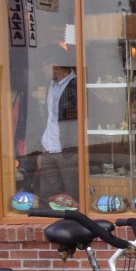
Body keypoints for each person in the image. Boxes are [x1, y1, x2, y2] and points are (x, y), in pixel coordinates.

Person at [38, 55, 80, 203]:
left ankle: (73, 225)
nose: (42, 69)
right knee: (49, 195)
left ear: (55, 64)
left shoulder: (76, 85)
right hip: (48, 146)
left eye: (44, 65)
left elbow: (79, 119)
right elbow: (49, 115)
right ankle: (51, 223)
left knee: (72, 194)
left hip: (67, 148)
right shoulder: (50, 84)